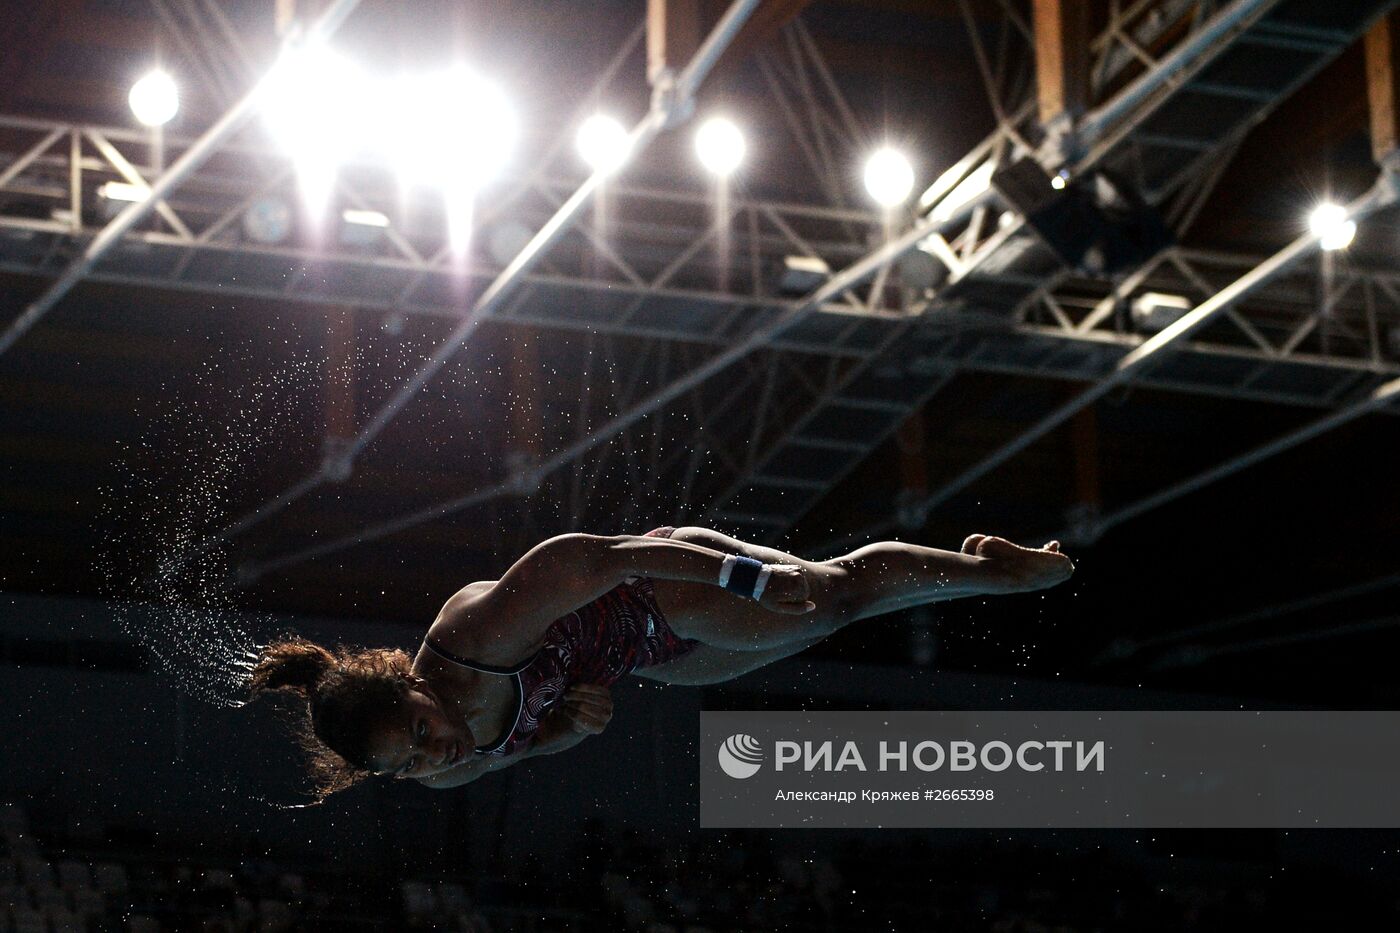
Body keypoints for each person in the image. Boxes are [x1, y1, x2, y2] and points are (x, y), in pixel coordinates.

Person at [250, 527, 1072, 798]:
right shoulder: (443, 775)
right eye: (412, 763)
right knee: (819, 630)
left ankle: (998, 570)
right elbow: (536, 742)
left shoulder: (480, 634)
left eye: (423, 731)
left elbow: (596, 555)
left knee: (835, 595)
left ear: (414, 683)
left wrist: (745, 575)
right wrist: (577, 721)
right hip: (652, 657)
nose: (438, 752)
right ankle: (975, 568)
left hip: (660, 584)